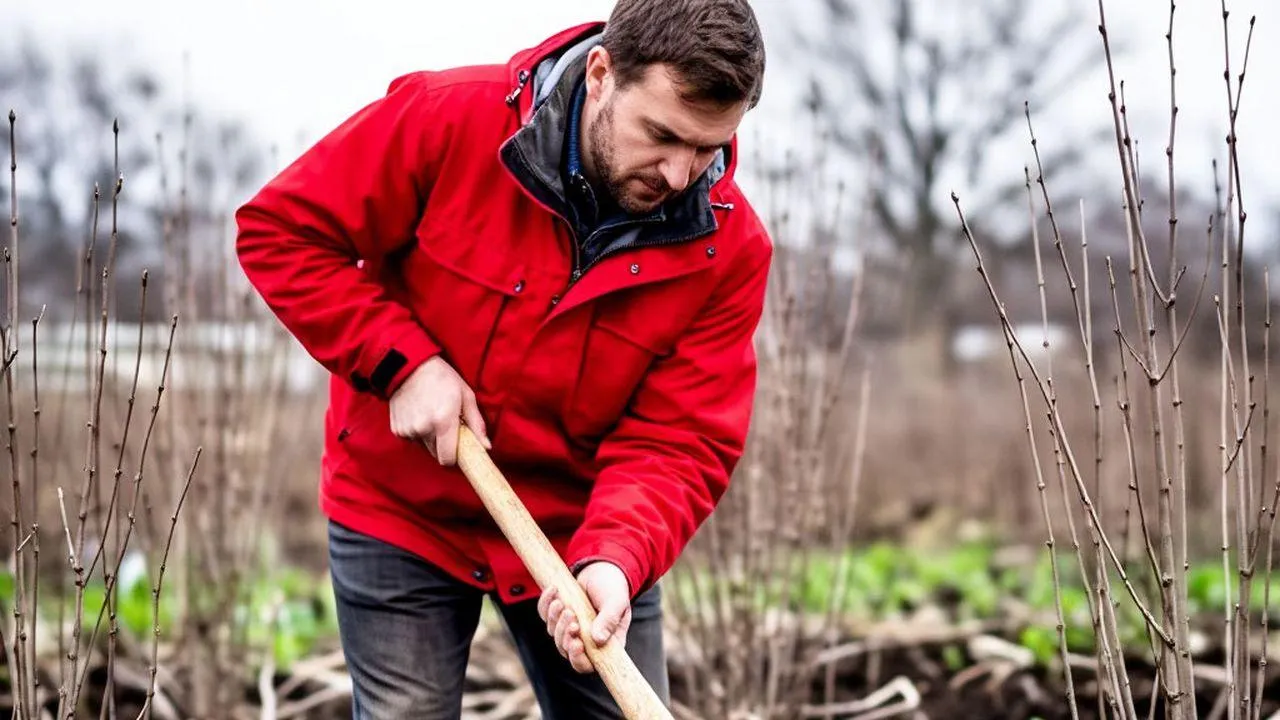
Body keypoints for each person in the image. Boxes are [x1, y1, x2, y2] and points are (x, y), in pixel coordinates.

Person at [234, 0, 771, 717]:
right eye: (663, 135)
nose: (681, 173)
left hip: (580, 534)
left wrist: (616, 559)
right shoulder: (448, 120)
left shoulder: (728, 252)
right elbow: (281, 233)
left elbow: (680, 439)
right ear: (604, 74)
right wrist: (403, 363)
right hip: (402, 510)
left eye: (708, 148)